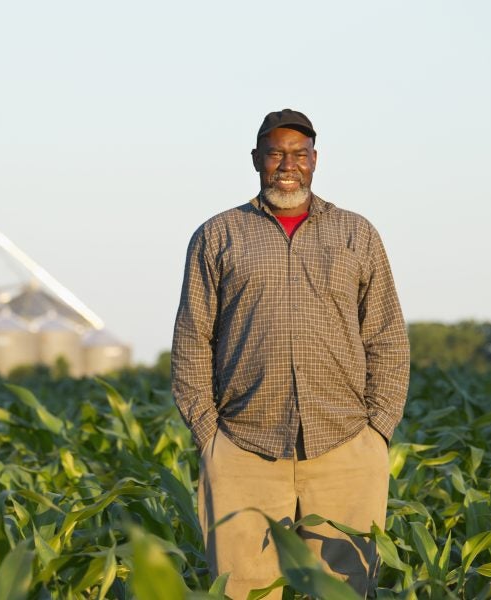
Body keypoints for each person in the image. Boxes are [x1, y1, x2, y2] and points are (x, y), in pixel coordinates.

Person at [171, 109, 410, 599]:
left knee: (344, 590)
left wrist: (377, 431)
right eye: (277, 153)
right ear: (256, 158)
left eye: (299, 154)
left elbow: (386, 336)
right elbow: (192, 340)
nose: (288, 164)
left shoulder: (355, 233)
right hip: (243, 447)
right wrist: (209, 435)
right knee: (242, 591)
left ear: (315, 161)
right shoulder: (217, 236)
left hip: (345, 445)